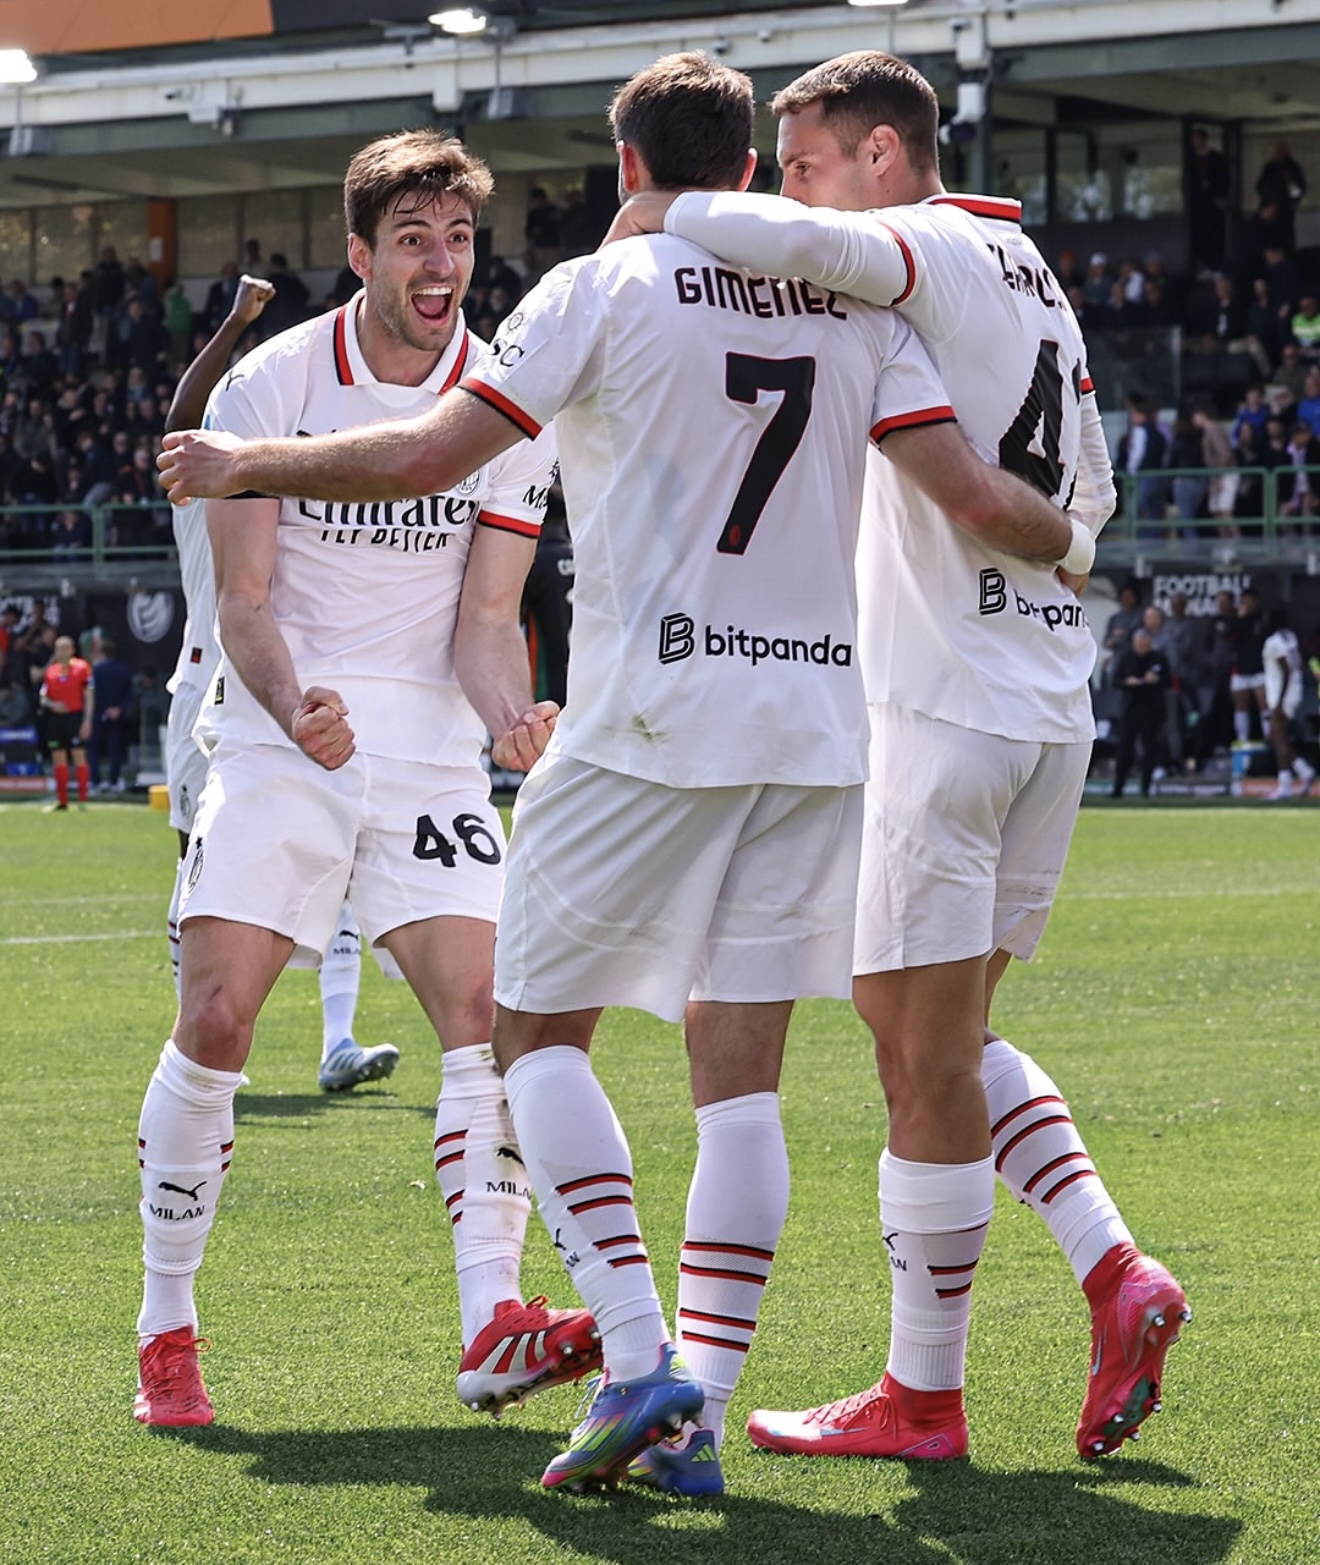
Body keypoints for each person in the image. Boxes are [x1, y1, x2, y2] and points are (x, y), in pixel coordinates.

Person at [158, 52, 1091, 1496]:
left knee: (528, 1035)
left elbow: (425, 460)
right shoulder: (857, 310)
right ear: (748, 170)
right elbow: (969, 487)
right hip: (818, 728)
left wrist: (245, 465)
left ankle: (643, 1355)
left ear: (627, 164)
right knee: (741, 1079)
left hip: (651, 716)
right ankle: (696, 1411)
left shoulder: (597, 289)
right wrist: (1074, 540)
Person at [606, 47, 1189, 1464]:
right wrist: (1060, 544)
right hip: (1042, 702)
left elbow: (800, 244)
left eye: (809, 162)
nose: (798, 192)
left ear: (883, 153)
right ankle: (1108, 1268)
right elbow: (1095, 499)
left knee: (922, 1066)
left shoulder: (921, 244)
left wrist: (661, 207)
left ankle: (929, 1395)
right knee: (923, 1026)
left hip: (942, 710)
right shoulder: (1031, 270)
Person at [132, 130, 596, 1433]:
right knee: (219, 1012)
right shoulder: (272, 383)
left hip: (431, 748)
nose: (441, 263)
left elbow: (487, 618)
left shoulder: (506, 401)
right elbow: (246, 600)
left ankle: (493, 1322)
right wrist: (297, 706)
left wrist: (510, 719)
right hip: (282, 728)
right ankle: (166, 1325)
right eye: (412, 240)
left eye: (458, 238)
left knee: (490, 1013)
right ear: (360, 254)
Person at [161, 273, 395, 1090]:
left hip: (304, 691)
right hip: (209, 693)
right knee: (200, 880)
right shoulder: (204, 480)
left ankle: (338, 1041)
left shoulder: (292, 485)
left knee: (344, 863)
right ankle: (196, 1041)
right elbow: (184, 418)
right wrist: (233, 324)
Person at [1261, 606, 1315, 798]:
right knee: (1276, 737)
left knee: (1279, 739)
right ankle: (1304, 770)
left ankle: (1284, 786)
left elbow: (1286, 669)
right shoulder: (1290, 636)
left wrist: (1279, 701)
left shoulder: (1273, 642)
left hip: (1283, 694)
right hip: (1293, 691)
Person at [1110, 627, 1169, 796]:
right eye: (1139, 644)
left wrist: (1156, 680)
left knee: (1150, 748)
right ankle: (1118, 787)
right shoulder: (1126, 658)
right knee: (1125, 749)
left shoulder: (1159, 658)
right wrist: (1127, 682)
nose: (1142, 647)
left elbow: (1168, 680)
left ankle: (1146, 788)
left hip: (1151, 709)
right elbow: (1115, 680)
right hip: (1130, 708)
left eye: (1145, 644)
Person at [39, 633, 94, 811]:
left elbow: (89, 694)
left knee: (78, 755)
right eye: (58, 648)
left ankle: (83, 800)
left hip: (75, 717)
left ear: (72, 650)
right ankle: (62, 801)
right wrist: (52, 704)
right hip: (56, 719)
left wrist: (87, 721)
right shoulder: (50, 671)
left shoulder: (82, 668)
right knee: (58, 757)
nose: (61, 652)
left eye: (64, 648)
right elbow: (43, 697)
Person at [90, 634, 134, 792]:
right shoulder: (125, 671)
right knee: (115, 749)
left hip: (99, 714)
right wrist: (118, 709)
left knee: (94, 748)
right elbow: (129, 695)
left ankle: (95, 781)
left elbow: (94, 694)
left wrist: (103, 710)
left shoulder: (97, 671)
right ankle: (113, 781)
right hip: (117, 715)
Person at [1256, 139, 1307, 255]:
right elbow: (1260, 187)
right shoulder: (1269, 168)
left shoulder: (1293, 168)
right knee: (1268, 241)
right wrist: (1268, 205)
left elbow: (1297, 193)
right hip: (1269, 213)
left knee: (1285, 242)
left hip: (1285, 212)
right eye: (1278, 150)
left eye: (1282, 150)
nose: (1279, 153)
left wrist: (1289, 181)